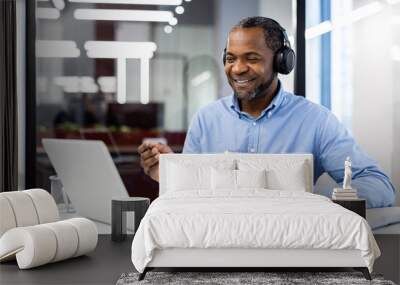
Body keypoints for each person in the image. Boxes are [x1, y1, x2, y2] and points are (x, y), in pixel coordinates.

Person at [138, 16, 395, 208]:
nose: (237, 69)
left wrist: (318, 206)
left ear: (281, 62)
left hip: (291, 249)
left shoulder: (315, 120)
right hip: (219, 247)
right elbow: (192, 195)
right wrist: (171, 173)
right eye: (230, 58)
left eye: (251, 58)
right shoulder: (206, 120)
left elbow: (378, 185)